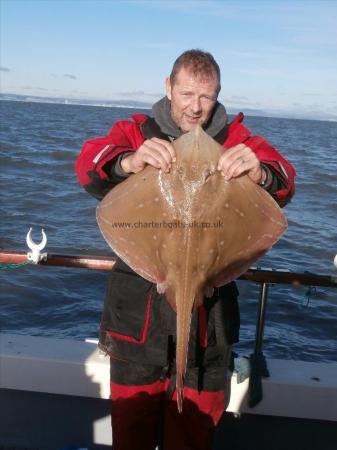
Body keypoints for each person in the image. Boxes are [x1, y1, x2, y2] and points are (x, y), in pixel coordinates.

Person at [75, 49, 296, 450]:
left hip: (208, 324)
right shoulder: (135, 131)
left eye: (206, 97)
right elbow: (88, 165)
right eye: (187, 93)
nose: (196, 107)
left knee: (193, 434)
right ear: (168, 88)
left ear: (217, 96)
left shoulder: (237, 140)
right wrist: (128, 162)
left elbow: (285, 183)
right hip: (136, 319)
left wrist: (259, 170)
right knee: (132, 431)